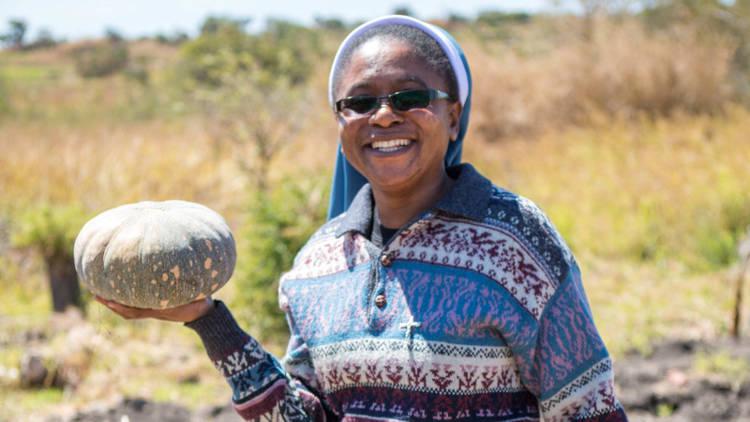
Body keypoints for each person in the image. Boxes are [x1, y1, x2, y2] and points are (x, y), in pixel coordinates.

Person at [98, 15, 628, 421]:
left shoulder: (516, 243)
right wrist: (206, 319)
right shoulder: (319, 265)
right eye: (360, 102)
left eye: (410, 96)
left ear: (453, 114)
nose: (383, 115)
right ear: (340, 121)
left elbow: (588, 408)